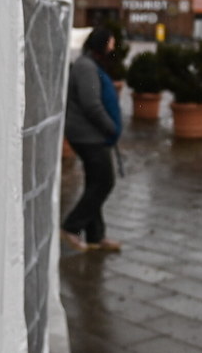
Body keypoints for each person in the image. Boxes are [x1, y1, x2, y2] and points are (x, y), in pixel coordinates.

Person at [61, 26, 123, 252]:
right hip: (88, 137)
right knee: (105, 182)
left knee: (94, 183)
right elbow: (91, 104)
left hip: (90, 135)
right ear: (101, 44)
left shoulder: (88, 64)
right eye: (110, 42)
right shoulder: (86, 67)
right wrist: (111, 128)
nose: (113, 47)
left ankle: (96, 236)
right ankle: (71, 226)